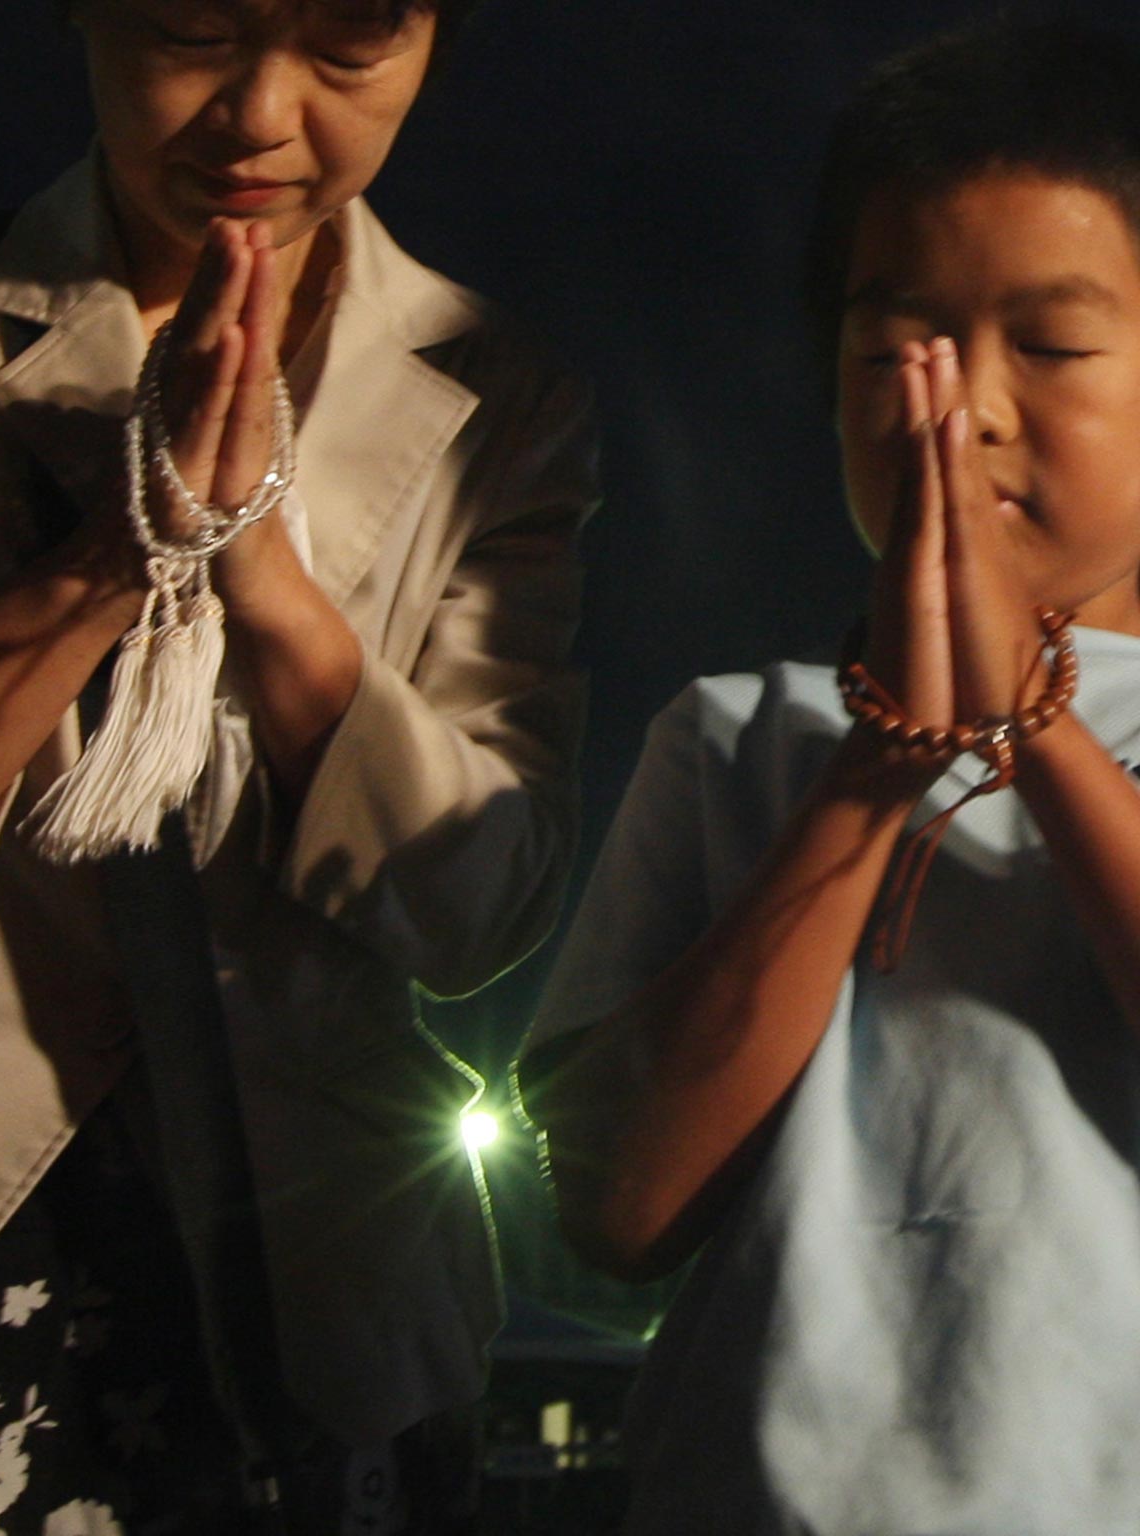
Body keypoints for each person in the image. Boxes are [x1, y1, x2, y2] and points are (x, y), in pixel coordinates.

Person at [0, 2, 596, 1529]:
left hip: (322, 1286)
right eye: (192, 29)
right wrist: (116, 555)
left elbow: (478, 911)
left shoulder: (502, 394)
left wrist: (267, 584)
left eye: (350, 43)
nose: (264, 114)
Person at [521, 19, 1140, 1533]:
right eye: (893, 350)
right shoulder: (735, 736)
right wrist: (885, 763)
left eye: (1051, 345)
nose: (961, 408)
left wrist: (1036, 728)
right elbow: (613, 1211)